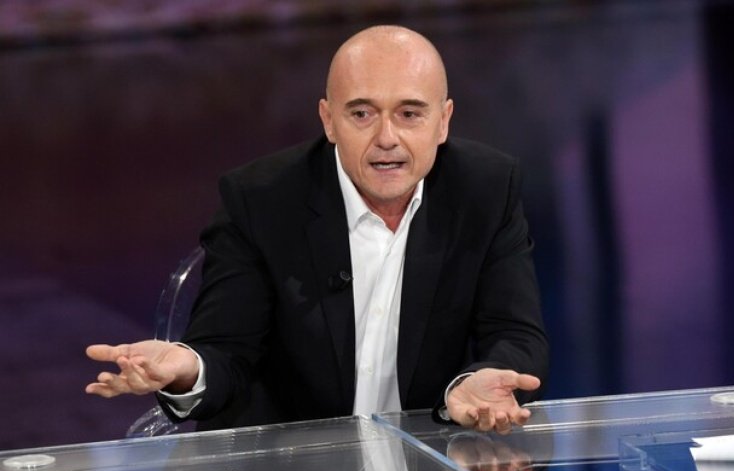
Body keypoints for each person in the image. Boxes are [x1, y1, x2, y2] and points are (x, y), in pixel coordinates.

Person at [86, 25, 548, 435]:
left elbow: (516, 334)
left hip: (429, 461)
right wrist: (188, 368)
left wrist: (478, 382)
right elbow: (227, 352)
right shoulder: (261, 200)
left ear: (443, 121)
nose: (387, 138)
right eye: (362, 114)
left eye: (410, 114)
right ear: (329, 120)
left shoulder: (486, 190)